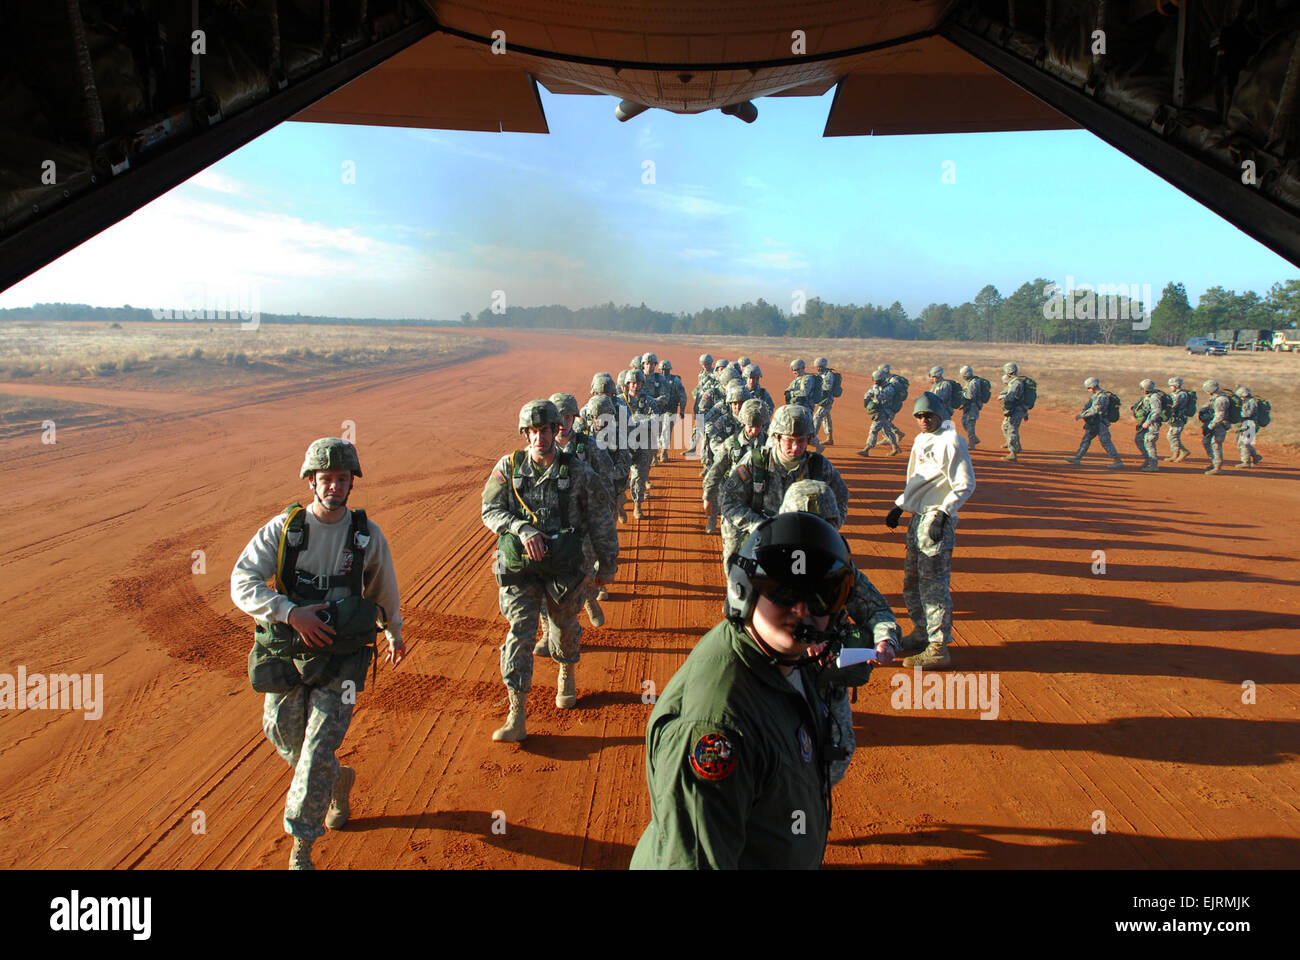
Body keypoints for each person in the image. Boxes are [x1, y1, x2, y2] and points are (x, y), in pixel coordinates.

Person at [629, 512, 854, 869]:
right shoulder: (717, 727)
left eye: (820, 597)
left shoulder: (786, 658)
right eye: (784, 591)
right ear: (745, 591)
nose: (801, 609)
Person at [231, 437, 406, 870]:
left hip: (343, 657)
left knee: (314, 752)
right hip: (289, 651)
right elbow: (242, 583)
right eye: (325, 479)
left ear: (351, 484)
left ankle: (302, 849)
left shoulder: (366, 535)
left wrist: (393, 631)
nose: (333, 487)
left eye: (341, 479)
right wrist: (291, 613)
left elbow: (383, 588)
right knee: (280, 733)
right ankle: (336, 776)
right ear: (311, 481)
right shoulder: (284, 529)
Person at [481, 400, 619, 741]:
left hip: (566, 568)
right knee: (520, 633)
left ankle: (566, 671)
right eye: (533, 431)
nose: (539, 437)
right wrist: (519, 528)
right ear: (525, 434)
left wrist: (607, 563)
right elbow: (490, 510)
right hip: (522, 568)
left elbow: (601, 517)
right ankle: (517, 713)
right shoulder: (509, 467)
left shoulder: (577, 471)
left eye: (545, 430)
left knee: (563, 627)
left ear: (555, 430)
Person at [778, 480, 899, 788]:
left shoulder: (841, 569)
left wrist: (884, 638)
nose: (811, 536)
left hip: (827, 680)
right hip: (777, 680)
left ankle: (812, 811)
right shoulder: (767, 566)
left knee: (836, 756)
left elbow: (877, 611)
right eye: (804, 526)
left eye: (821, 527)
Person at [884, 393, 975, 668]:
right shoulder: (921, 440)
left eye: (929, 416)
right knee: (912, 582)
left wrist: (944, 513)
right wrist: (901, 504)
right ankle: (922, 632)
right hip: (918, 517)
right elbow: (915, 478)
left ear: (940, 416)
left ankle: (938, 647)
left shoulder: (952, 441)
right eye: (919, 417)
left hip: (936, 518)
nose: (923, 421)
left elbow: (965, 483)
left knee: (933, 585)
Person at [720, 404, 851, 560]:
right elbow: (728, 500)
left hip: (801, 539)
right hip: (758, 533)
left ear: (809, 438)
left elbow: (841, 499)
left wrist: (825, 529)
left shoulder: (820, 467)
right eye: (789, 441)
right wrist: (757, 526)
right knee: (736, 563)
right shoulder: (755, 462)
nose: (795, 447)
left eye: (801, 441)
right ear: (777, 437)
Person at [702, 397, 768, 556]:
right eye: (751, 426)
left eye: (758, 426)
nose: (754, 431)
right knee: (732, 550)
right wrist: (708, 497)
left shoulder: (770, 444)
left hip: (762, 504)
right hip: (734, 503)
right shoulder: (731, 444)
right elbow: (715, 472)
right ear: (744, 423)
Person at [623, 369, 662, 518]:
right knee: (619, 476)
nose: (635, 386)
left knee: (639, 475)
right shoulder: (620, 401)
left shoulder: (649, 401)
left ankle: (637, 506)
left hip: (643, 444)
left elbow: (655, 419)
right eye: (632, 383)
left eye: (638, 383)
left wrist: (636, 423)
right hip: (623, 445)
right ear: (627, 384)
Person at [1064, 377, 1124, 469]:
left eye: (1088, 388)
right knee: (1086, 439)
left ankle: (1117, 461)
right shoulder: (1096, 395)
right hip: (1094, 422)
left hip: (1101, 423)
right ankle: (1078, 458)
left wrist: (1082, 415)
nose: (1088, 390)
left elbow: (1095, 409)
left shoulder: (1102, 396)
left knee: (1105, 441)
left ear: (1093, 386)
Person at [858, 368, 900, 457]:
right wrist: (867, 399)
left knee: (874, 428)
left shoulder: (890, 388)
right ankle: (895, 448)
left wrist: (875, 390)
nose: (875, 382)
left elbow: (879, 397)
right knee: (887, 430)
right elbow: (868, 393)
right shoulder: (876, 386)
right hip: (880, 411)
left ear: (883, 379)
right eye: (874, 381)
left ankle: (867, 448)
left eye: (877, 381)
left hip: (886, 412)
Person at [1198, 380, 1233, 475]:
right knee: (1206, 442)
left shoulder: (1221, 400)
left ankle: (1218, 467)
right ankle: (1214, 462)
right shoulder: (1215, 397)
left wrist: (1210, 426)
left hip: (1219, 425)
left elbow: (1220, 415)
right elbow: (1209, 405)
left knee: (1216, 445)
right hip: (1214, 424)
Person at [1132, 379, 1165, 472]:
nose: (1141, 390)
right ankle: (1148, 460)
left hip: (1152, 424)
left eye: (1142, 388)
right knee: (1139, 439)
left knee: (1149, 443)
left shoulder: (1154, 397)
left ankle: (1154, 465)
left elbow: (1156, 411)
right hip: (1145, 423)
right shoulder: (1147, 396)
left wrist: (1148, 421)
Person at [999, 362, 1029, 462]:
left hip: (1017, 409)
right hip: (1017, 409)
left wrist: (1004, 398)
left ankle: (1013, 453)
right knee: (1005, 426)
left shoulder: (1016, 383)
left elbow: (1011, 397)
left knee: (1012, 429)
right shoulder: (1015, 381)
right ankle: (1015, 445)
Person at [812, 357, 841, 446]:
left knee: (817, 416)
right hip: (823, 400)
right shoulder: (821, 374)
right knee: (826, 418)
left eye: (819, 366)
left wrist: (817, 386)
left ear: (823, 366)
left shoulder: (829, 375)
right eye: (817, 367)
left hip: (827, 400)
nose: (817, 368)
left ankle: (812, 437)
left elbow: (827, 388)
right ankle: (830, 438)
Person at [1164, 376, 1194, 462]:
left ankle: (1184, 451)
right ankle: (1175, 454)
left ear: (1176, 386)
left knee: (1172, 436)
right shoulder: (1176, 394)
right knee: (1172, 435)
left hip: (1179, 418)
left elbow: (1175, 406)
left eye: (1171, 386)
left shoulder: (1181, 395)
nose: (1170, 387)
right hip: (1175, 418)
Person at [959, 365, 988, 448]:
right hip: (969, 406)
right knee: (964, 422)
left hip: (973, 406)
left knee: (970, 424)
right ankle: (974, 438)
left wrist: (962, 393)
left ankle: (972, 444)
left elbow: (970, 396)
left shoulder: (973, 382)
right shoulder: (970, 382)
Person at [1234, 386, 1263, 468]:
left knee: (1244, 443)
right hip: (1248, 424)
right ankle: (1256, 456)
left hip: (1250, 424)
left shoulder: (1251, 401)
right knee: (1243, 442)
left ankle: (1246, 462)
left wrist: (1238, 413)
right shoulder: (1249, 401)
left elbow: (1247, 414)